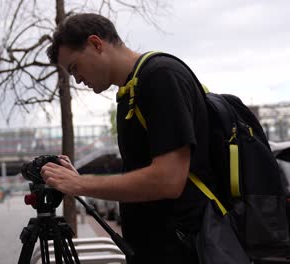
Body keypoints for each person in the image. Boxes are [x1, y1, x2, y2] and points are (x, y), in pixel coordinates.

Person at [42, 13, 212, 264]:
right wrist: (76, 179)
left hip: (184, 251)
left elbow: (169, 180)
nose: (77, 79)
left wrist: (82, 185)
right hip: (154, 249)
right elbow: (140, 175)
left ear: (96, 44)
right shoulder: (128, 94)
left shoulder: (160, 77)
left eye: (75, 67)